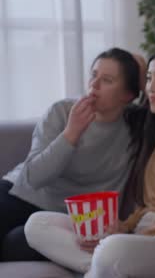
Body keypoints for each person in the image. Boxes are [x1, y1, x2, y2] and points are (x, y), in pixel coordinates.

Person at [25, 46, 155, 278]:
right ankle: (103, 267)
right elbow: (146, 207)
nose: (151, 87)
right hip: (142, 233)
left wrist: (128, 236)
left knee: (112, 249)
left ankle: (105, 264)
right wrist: (122, 227)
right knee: (37, 225)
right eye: (149, 78)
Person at [0, 47, 143, 261]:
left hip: (67, 217)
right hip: (20, 194)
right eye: (93, 75)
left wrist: (143, 75)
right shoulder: (61, 111)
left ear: (127, 95)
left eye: (107, 80)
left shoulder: (137, 126)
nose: (94, 85)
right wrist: (71, 133)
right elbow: (33, 178)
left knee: (16, 242)